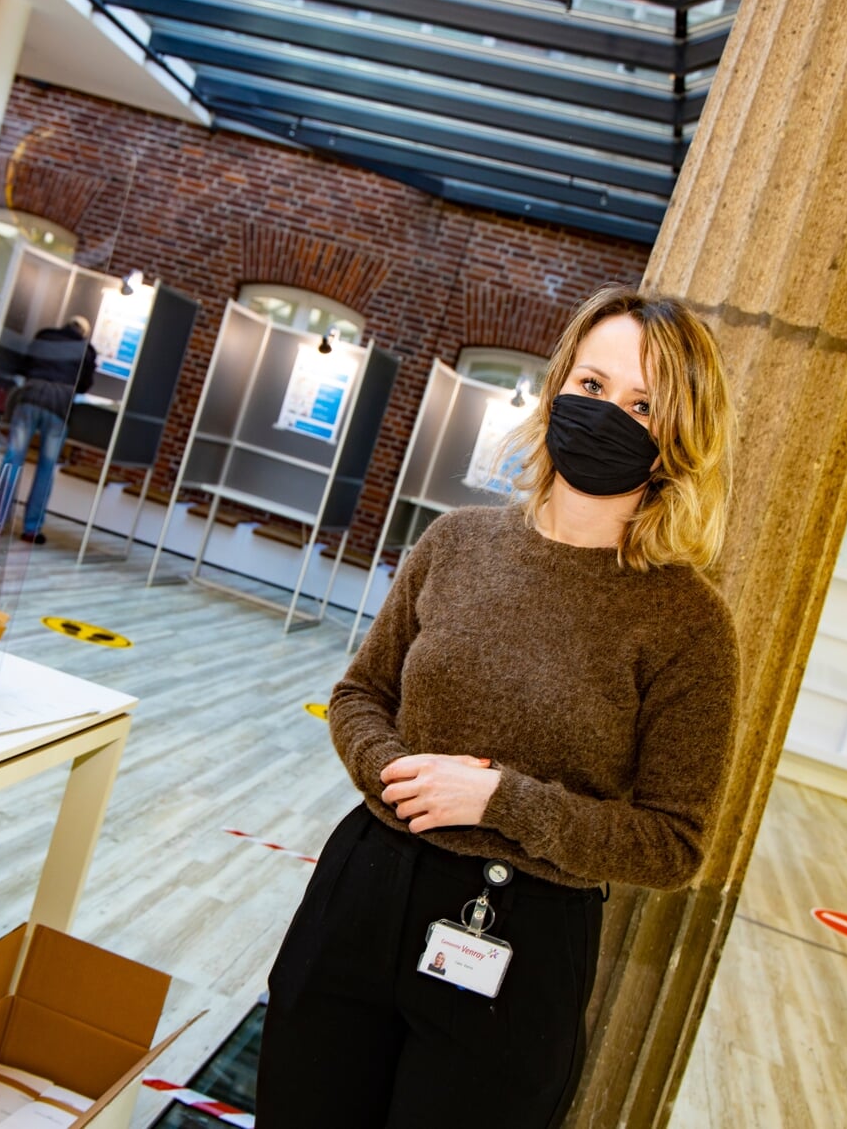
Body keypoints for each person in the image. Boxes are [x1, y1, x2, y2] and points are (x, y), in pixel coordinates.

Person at [257, 285, 741, 1128]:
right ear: (557, 388)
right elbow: (361, 695)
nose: (607, 414)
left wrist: (499, 801)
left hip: (521, 945)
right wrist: (396, 773)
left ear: (678, 439)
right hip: (366, 886)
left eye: (642, 403)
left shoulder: (691, 624)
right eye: (592, 388)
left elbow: (675, 842)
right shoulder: (456, 542)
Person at [0, 314, 98, 545]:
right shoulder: (86, 350)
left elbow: (24, 365)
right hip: (59, 407)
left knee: (12, 459)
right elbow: (85, 384)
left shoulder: (44, 336)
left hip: (29, 398)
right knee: (46, 469)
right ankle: (31, 529)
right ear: (83, 333)